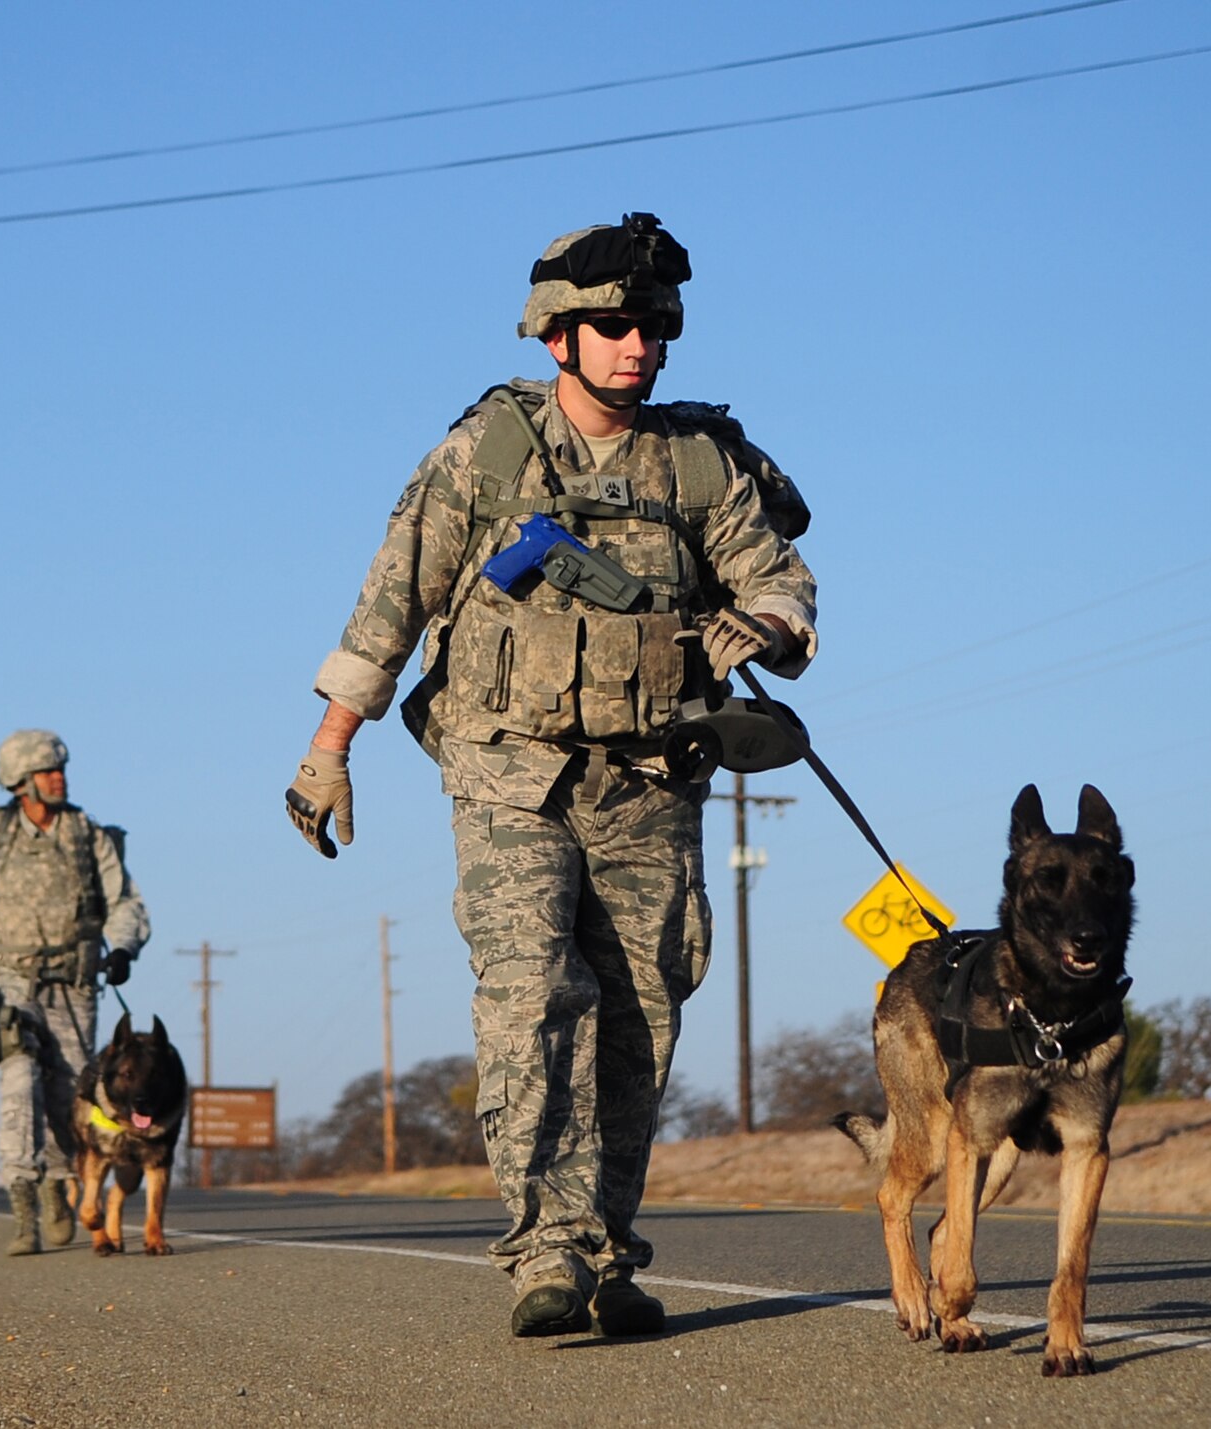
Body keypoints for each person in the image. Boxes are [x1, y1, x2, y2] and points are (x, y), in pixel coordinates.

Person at [285, 213, 817, 1338]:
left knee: (640, 1019)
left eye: (652, 327)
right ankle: (541, 1248)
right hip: (506, 772)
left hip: (650, 783)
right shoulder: (484, 454)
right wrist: (327, 751)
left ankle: (606, 1246)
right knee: (530, 1002)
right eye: (610, 325)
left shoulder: (698, 461)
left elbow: (776, 580)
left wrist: (758, 629)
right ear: (555, 337)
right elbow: (393, 601)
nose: (635, 345)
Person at [0, 728, 149, 1256]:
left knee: (68, 1094)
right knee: (19, 1080)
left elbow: (124, 899)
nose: (58, 777)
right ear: (21, 782)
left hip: (74, 985)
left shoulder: (87, 834)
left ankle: (57, 1189)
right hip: (8, 985)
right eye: (46, 771)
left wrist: (124, 948)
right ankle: (22, 1207)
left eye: (59, 769)